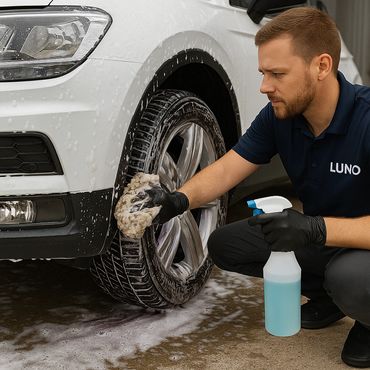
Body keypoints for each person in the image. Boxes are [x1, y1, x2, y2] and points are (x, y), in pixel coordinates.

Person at [144, 7, 370, 368]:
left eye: (277, 74)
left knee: (351, 278)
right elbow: (230, 167)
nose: (265, 86)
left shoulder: (366, 119)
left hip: (362, 248)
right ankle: (330, 299)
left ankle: (365, 317)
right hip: (326, 239)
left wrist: (313, 227)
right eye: (263, 73)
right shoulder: (283, 115)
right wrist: (178, 199)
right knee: (226, 245)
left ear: (322, 66)